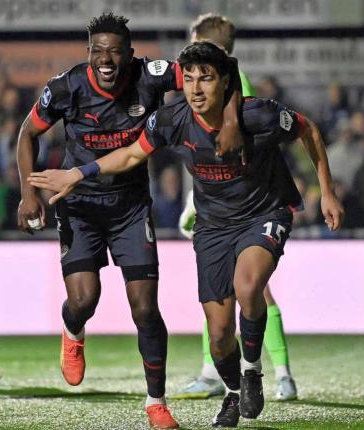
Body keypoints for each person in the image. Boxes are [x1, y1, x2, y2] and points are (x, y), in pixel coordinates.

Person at [27, 41, 344, 428]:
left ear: (224, 82)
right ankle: (232, 390)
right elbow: (129, 155)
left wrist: (327, 191)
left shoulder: (257, 115)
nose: (195, 88)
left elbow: (307, 130)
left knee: (248, 288)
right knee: (218, 337)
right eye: (189, 79)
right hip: (212, 226)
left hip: (263, 212)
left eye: (206, 79)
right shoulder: (172, 119)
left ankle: (252, 370)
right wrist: (78, 173)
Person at [16, 12, 244, 430]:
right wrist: (29, 193)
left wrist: (230, 121)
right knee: (84, 300)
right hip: (79, 206)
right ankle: (73, 330)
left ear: (129, 54)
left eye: (115, 51)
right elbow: (26, 133)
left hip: (131, 207)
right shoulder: (66, 87)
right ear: (88, 54)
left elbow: (223, 69)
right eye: (97, 51)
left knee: (144, 308)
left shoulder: (152, 75)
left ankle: (156, 403)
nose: (106, 59)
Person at [176, 13, 299, 402]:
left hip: (243, 207)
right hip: (229, 203)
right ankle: (280, 374)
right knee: (244, 294)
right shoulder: (228, 79)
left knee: (246, 294)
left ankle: (227, 373)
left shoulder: (229, 86)